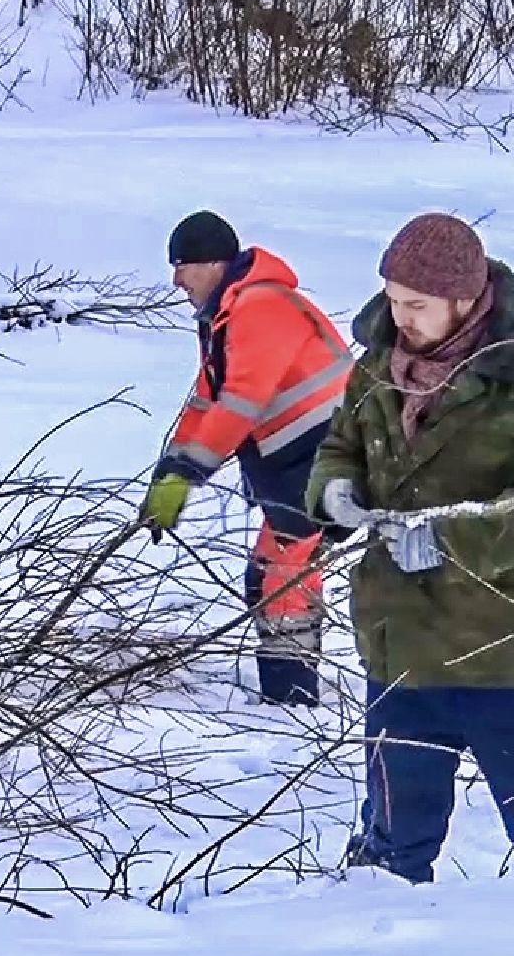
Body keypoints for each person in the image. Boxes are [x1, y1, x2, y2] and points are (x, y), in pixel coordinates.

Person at [305, 211, 514, 881]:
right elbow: (339, 447)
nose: (398, 315)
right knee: (390, 849)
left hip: (508, 649)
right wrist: (335, 494)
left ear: (466, 301)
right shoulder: (377, 370)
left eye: (416, 304)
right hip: (401, 643)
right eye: (392, 299)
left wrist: (450, 540)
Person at [138, 211, 354, 707]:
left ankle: (291, 700)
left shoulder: (260, 306)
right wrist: (168, 473)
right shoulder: (228, 313)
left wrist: (187, 477)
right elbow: (206, 401)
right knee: (273, 571)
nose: (175, 280)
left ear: (212, 264)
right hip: (298, 460)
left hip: (327, 457)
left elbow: (241, 402)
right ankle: (287, 692)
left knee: (283, 573)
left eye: (181, 266)